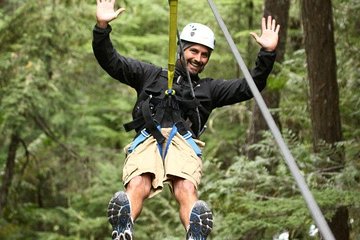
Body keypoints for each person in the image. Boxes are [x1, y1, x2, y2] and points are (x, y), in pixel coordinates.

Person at [93, 0, 280, 239]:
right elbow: (112, 61)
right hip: (148, 138)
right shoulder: (150, 75)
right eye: (194, 51)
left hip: (183, 143)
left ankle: (195, 232)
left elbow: (249, 86)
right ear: (181, 49)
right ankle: (123, 226)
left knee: (185, 186)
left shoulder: (209, 89)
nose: (198, 58)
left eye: (204, 55)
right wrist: (101, 28)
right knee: (140, 181)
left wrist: (267, 54)